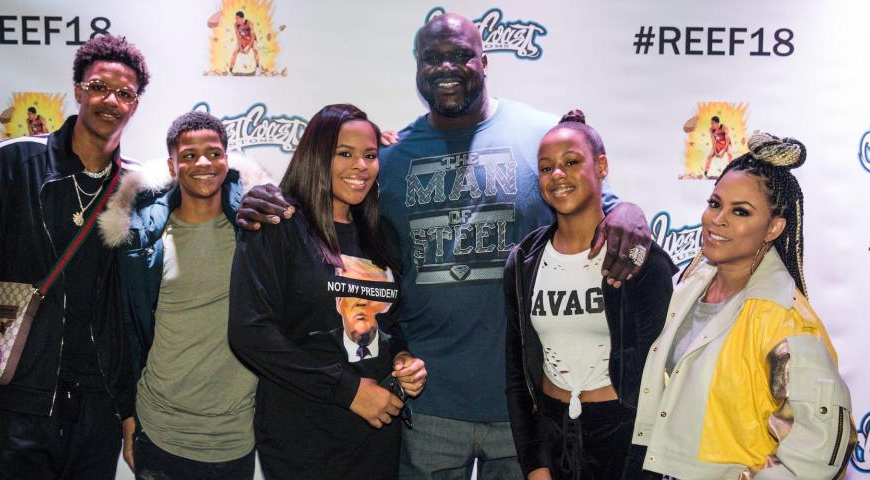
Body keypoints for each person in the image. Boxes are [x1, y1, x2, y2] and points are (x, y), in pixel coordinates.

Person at [235, 13, 652, 479]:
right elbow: (327, 204)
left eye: (459, 55)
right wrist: (258, 195)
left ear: (485, 61)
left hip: (521, 404)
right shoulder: (389, 159)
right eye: (431, 58)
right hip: (424, 404)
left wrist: (630, 211)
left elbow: (603, 207)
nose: (445, 67)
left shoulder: (538, 135)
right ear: (417, 68)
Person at [0, 34, 149, 479]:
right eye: (99, 86)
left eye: (125, 93)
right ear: (77, 91)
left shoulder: (138, 189)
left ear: (136, 104)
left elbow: (138, 312)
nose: (111, 100)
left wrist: (129, 410)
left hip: (98, 408)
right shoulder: (13, 162)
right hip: (16, 402)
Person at [633, 133, 856, 479]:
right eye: (714, 203)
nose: (716, 219)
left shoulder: (785, 319)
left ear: (774, 228)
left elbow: (824, 446)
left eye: (740, 211)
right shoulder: (690, 285)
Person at [228, 104, 427, 479]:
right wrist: (346, 389)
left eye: (370, 155)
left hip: (377, 436)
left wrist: (402, 357)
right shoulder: (277, 223)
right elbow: (249, 332)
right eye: (345, 154)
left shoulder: (380, 233)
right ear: (317, 156)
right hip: (302, 438)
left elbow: (391, 323)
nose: (361, 166)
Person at [504, 110, 676, 480]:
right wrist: (535, 463)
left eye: (571, 162)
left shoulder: (641, 259)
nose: (558, 175)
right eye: (546, 168)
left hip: (621, 437)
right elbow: (518, 376)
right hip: (552, 434)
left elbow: (659, 377)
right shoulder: (524, 261)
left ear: (601, 166)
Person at [98, 111, 257, 479]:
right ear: (172, 165)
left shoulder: (255, 233)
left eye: (214, 153)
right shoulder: (143, 243)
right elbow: (127, 332)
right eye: (188, 155)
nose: (203, 163)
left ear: (227, 159)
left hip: (235, 438)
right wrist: (128, 416)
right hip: (161, 432)